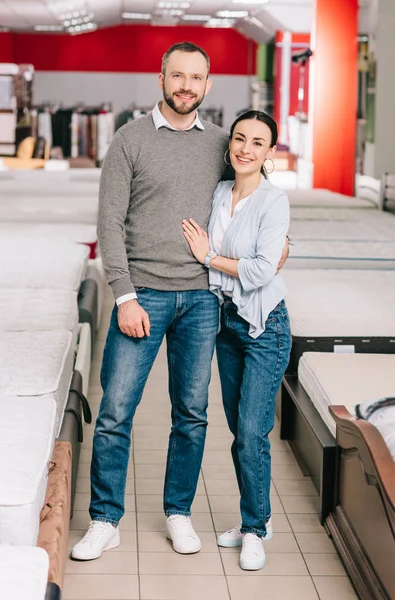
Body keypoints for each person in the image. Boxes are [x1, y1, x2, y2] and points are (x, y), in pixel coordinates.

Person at [71, 42, 289, 561]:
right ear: (161, 78)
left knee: (191, 414)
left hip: (201, 299)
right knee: (115, 412)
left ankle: (178, 513)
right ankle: (105, 519)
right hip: (141, 294)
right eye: (177, 75)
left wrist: (281, 243)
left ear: (208, 85)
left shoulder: (221, 142)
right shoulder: (129, 140)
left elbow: (254, 191)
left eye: (196, 77)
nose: (186, 85)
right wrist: (123, 295)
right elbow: (109, 224)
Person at [182, 110, 291, 571]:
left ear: (269, 153)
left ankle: (255, 528)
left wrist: (210, 257)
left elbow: (263, 270)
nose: (246, 148)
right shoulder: (220, 192)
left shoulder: (273, 200)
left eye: (258, 143)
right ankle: (252, 518)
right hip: (227, 326)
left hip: (265, 327)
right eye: (240, 139)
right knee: (239, 431)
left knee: (251, 432)